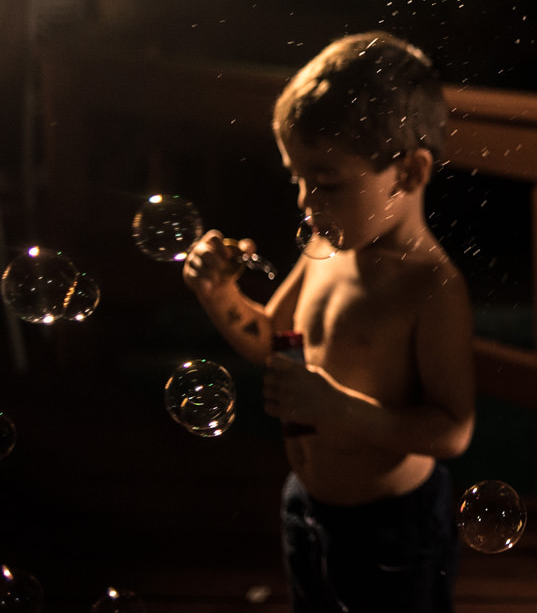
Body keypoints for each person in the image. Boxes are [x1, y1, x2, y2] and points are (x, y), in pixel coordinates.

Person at [184, 31, 475, 613]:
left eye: (326, 180)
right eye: (296, 176)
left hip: (391, 529)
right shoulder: (326, 245)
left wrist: (338, 408)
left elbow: (451, 431)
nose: (303, 199)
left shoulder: (429, 287)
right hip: (305, 505)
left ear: (410, 173)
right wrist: (220, 295)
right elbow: (272, 340)